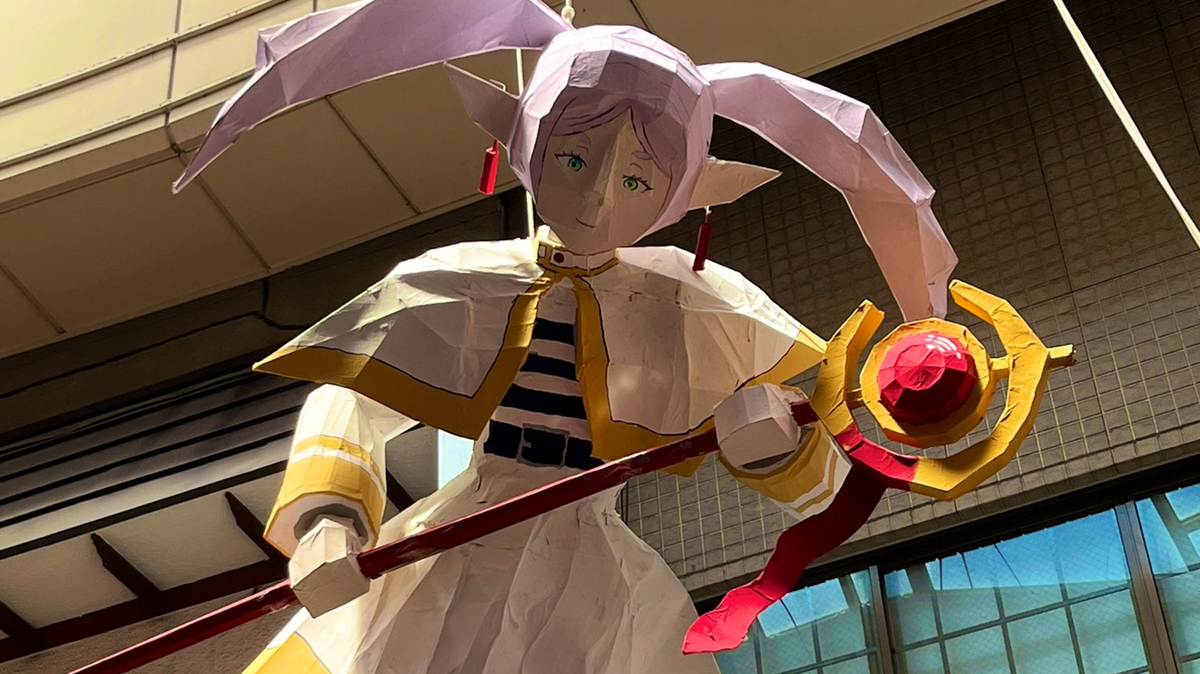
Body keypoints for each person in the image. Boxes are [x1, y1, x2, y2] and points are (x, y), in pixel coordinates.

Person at [174, 3, 957, 672]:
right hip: (451, 548)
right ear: (520, 144)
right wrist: (328, 521)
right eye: (573, 157)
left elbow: (826, 493)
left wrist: (775, 449)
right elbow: (350, 396)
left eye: (637, 180)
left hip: (593, 572)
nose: (594, 197)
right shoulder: (461, 278)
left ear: (684, 194)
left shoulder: (696, 304)